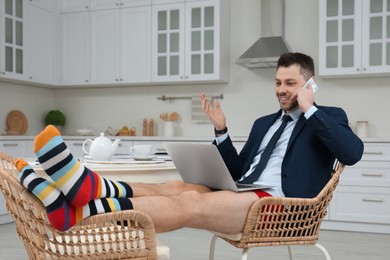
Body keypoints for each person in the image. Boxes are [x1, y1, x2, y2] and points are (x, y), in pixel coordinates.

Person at [15, 52, 363, 234]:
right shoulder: (264, 123)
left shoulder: (328, 117)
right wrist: (222, 131)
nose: (282, 89)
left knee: (190, 202)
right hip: (246, 191)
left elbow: (352, 152)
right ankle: (86, 190)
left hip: (282, 208)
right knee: (171, 186)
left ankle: (79, 210)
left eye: (290, 82)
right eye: (277, 82)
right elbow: (239, 170)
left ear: (309, 84)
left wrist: (310, 109)